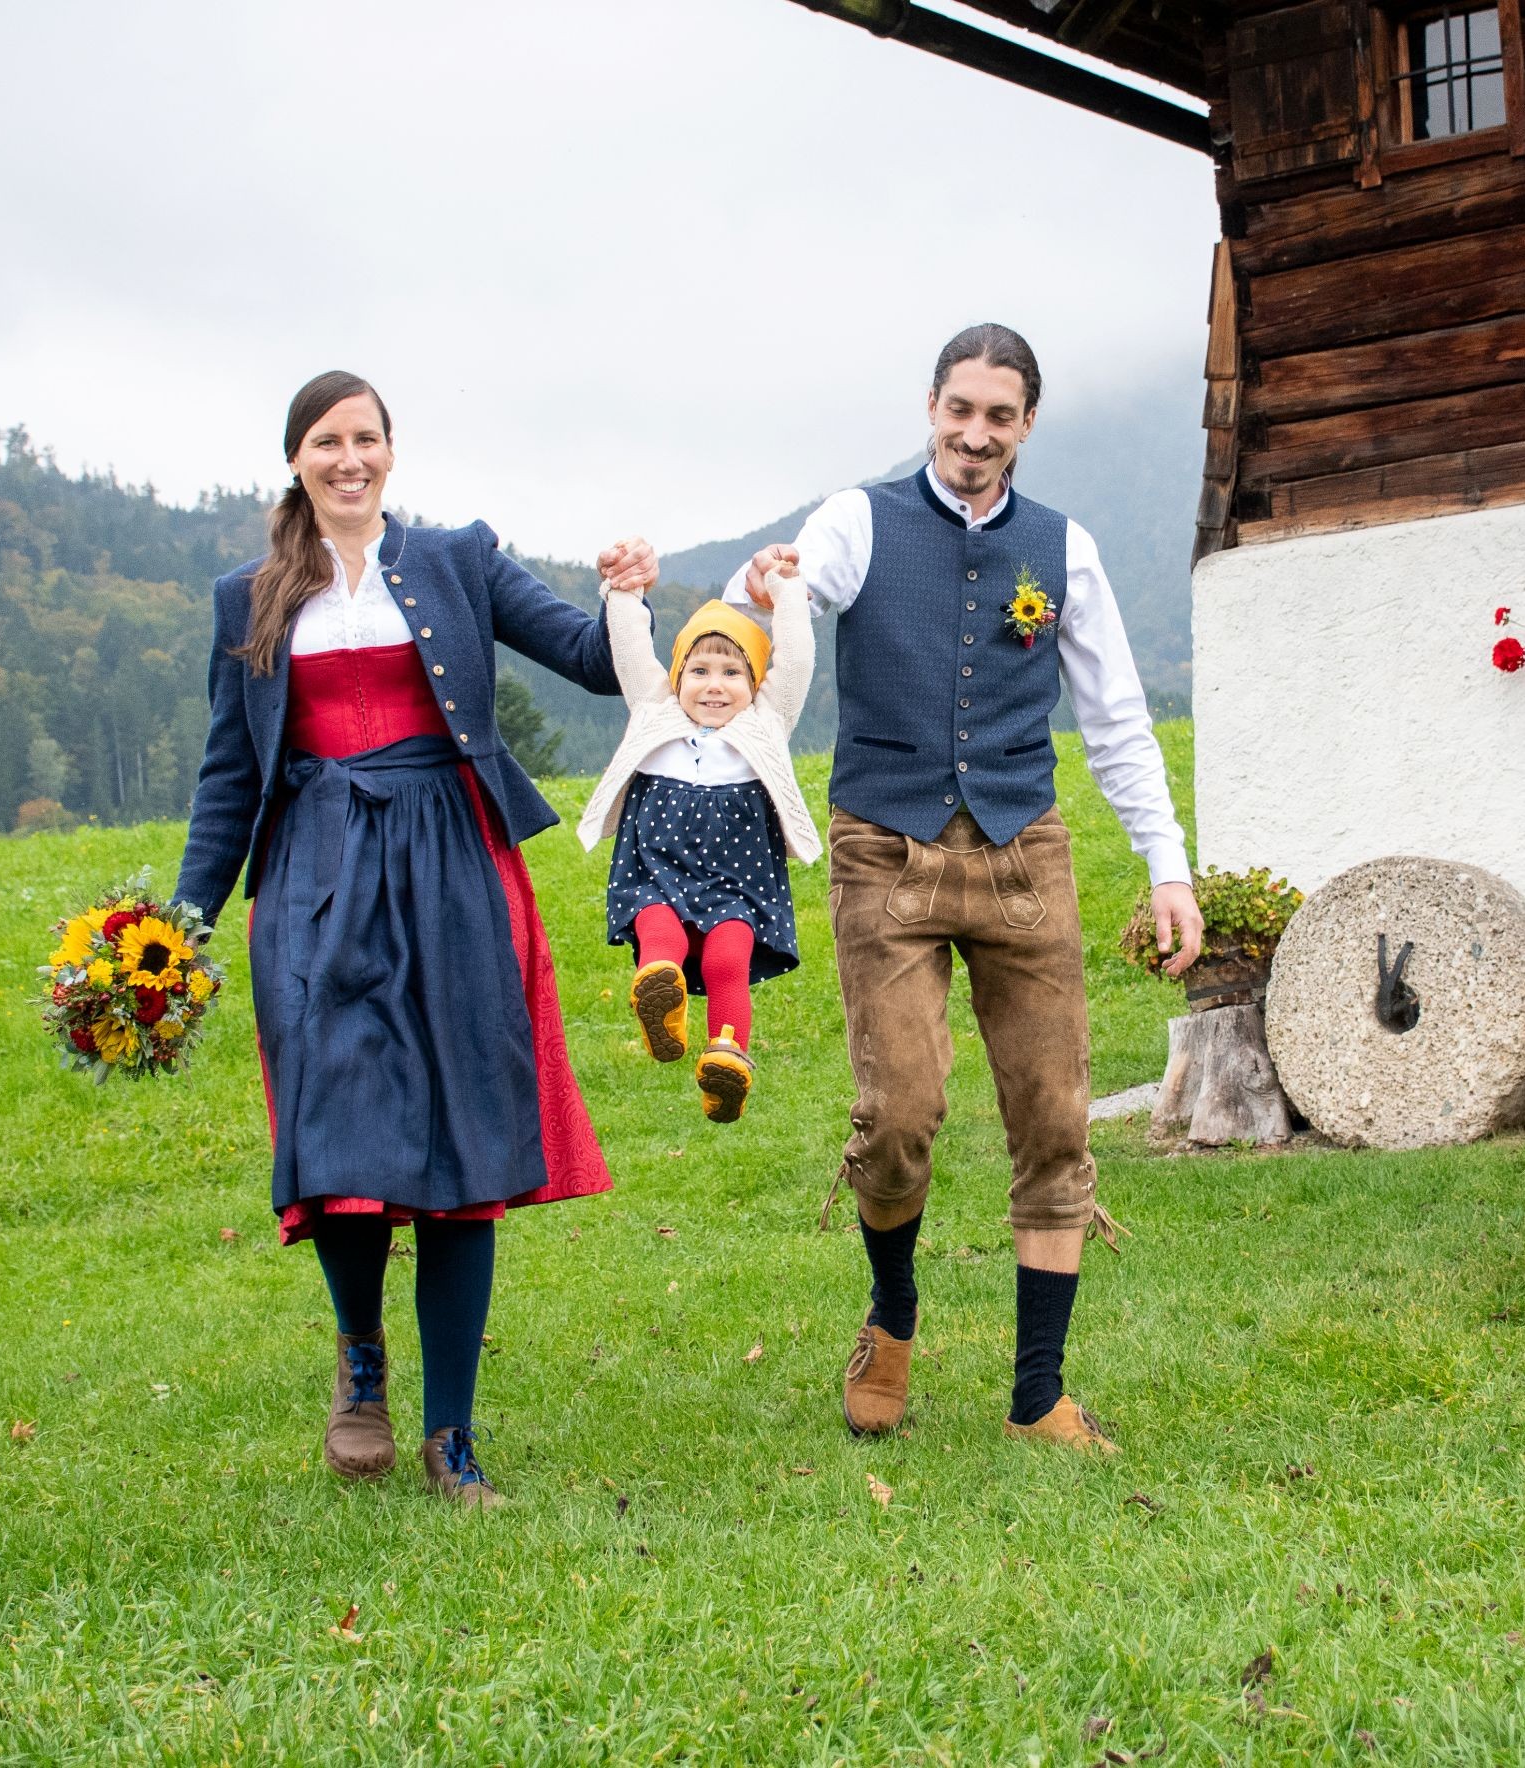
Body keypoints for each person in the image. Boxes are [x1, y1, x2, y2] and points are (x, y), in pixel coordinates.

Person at [173, 370, 658, 1501]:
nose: (350, 459)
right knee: (336, 1130)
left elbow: (590, 662)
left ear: (392, 451)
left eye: (368, 439)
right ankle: (359, 1363)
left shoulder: (456, 558)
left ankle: (453, 1433)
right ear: (294, 458)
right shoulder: (247, 596)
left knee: (460, 1148)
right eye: (327, 441)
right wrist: (184, 923)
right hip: (314, 872)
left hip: (452, 865)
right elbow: (228, 769)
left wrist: (626, 597)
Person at [728, 323, 1204, 1450]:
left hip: (1019, 853)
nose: (974, 435)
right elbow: (796, 602)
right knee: (897, 1114)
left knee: (1051, 1115)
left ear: (1025, 424)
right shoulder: (857, 521)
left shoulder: (1063, 549)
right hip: (882, 848)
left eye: (998, 416)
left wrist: (1166, 867)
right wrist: (765, 593)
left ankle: (1036, 1394)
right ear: (929, 409)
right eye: (958, 411)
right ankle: (890, 1317)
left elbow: (1117, 722)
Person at [577, 569, 820, 1121]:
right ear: (677, 677)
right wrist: (624, 592)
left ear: (756, 682)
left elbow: (798, 661)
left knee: (729, 959)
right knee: (660, 931)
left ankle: (726, 1060)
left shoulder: (765, 724)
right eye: (700, 670)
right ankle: (659, 990)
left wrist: (786, 596)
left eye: (733, 672)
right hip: (657, 867)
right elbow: (632, 651)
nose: (714, 684)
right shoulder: (654, 712)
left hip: (738, 880)